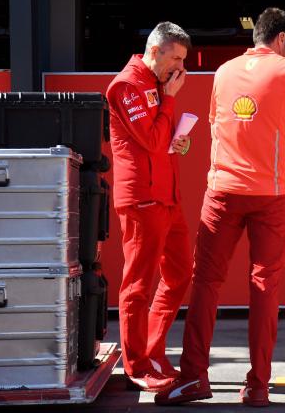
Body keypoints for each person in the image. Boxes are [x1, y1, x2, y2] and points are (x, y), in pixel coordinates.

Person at [155, 7, 285, 407]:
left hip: (223, 190)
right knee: (264, 288)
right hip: (272, 195)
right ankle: (257, 386)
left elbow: (218, 124)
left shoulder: (223, 72)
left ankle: (193, 378)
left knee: (205, 284)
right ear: (282, 40)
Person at [106, 21, 194, 392]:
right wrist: (171, 100)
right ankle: (137, 364)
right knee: (138, 285)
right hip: (142, 198)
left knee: (179, 274)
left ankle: (153, 350)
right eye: (175, 58)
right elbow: (153, 141)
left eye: (183, 60)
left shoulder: (156, 85)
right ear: (155, 50)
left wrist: (180, 140)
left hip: (167, 197)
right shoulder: (127, 85)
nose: (180, 68)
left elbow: (161, 142)